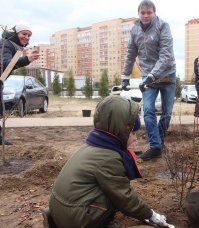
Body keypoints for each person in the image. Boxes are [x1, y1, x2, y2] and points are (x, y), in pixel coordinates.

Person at [47, 96, 174, 228]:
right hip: (75, 219)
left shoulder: (94, 144)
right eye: (133, 133)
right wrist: (151, 215)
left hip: (60, 209)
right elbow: (124, 198)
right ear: (122, 130)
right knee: (114, 197)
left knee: (111, 190)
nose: (136, 138)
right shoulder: (108, 158)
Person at [121, 0, 176, 161]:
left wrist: (153, 74)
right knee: (148, 110)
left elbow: (166, 53)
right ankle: (155, 146)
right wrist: (125, 76)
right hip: (148, 76)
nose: (145, 16)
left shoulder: (163, 26)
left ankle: (159, 143)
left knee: (166, 113)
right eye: (142, 13)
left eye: (149, 12)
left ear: (154, 13)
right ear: (139, 14)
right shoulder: (135, 29)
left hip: (167, 74)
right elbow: (131, 53)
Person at [0, 24, 39, 145]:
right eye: (24, 34)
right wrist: (27, 59)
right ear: (16, 34)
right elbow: (6, 64)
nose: (27, 37)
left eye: (29, 35)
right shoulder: (6, 44)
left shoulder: (13, 45)